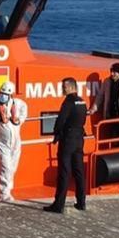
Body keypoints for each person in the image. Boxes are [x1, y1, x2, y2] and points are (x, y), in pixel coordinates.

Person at [45, 78, 87, 214]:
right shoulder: (82, 102)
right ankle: (81, 202)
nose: (62, 90)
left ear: (70, 87)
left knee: (64, 172)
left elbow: (61, 120)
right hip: (79, 139)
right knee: (79, 171)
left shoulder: (68, 102)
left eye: (64, 87)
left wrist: (56, 134)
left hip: (68, 140)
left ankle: (58, 205)